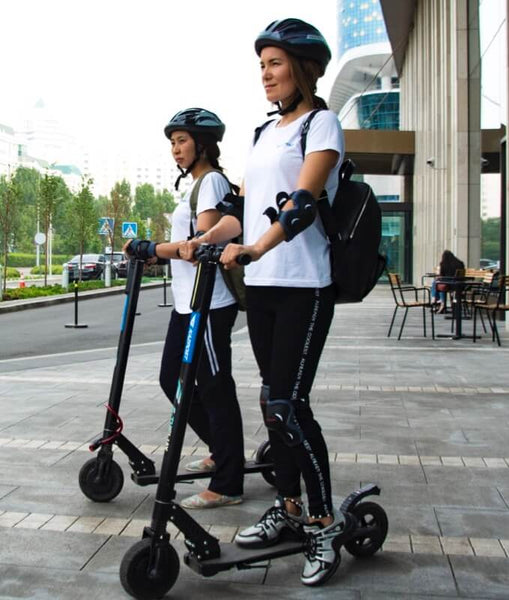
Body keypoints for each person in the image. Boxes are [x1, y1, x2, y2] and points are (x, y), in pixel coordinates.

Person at [182, 19, 344, 586]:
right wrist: (196, 244)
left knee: (289, 405)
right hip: (265, 286)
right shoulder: (262, 132)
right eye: (262, 65)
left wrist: (255, 248)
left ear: (303, 68)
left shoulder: (322, 124)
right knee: (270, 402)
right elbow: (241, 212)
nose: (266, 74)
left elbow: (301, 203)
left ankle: (324, 521)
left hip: (305, 283)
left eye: (275, 63)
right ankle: (291, 506)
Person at [125, 107, 245, 509]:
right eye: (173, 143)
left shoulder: (210, 182)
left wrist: (153, 248)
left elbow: (201, 248)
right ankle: (221, 448)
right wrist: (157, 254)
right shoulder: (195, 185)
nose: (175, 149)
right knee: (169, 377)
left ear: (203, 145)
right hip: (187, 304)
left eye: (182, 141)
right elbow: (184, 247)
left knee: (214, 386)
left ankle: (228, 481)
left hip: (208, 304)